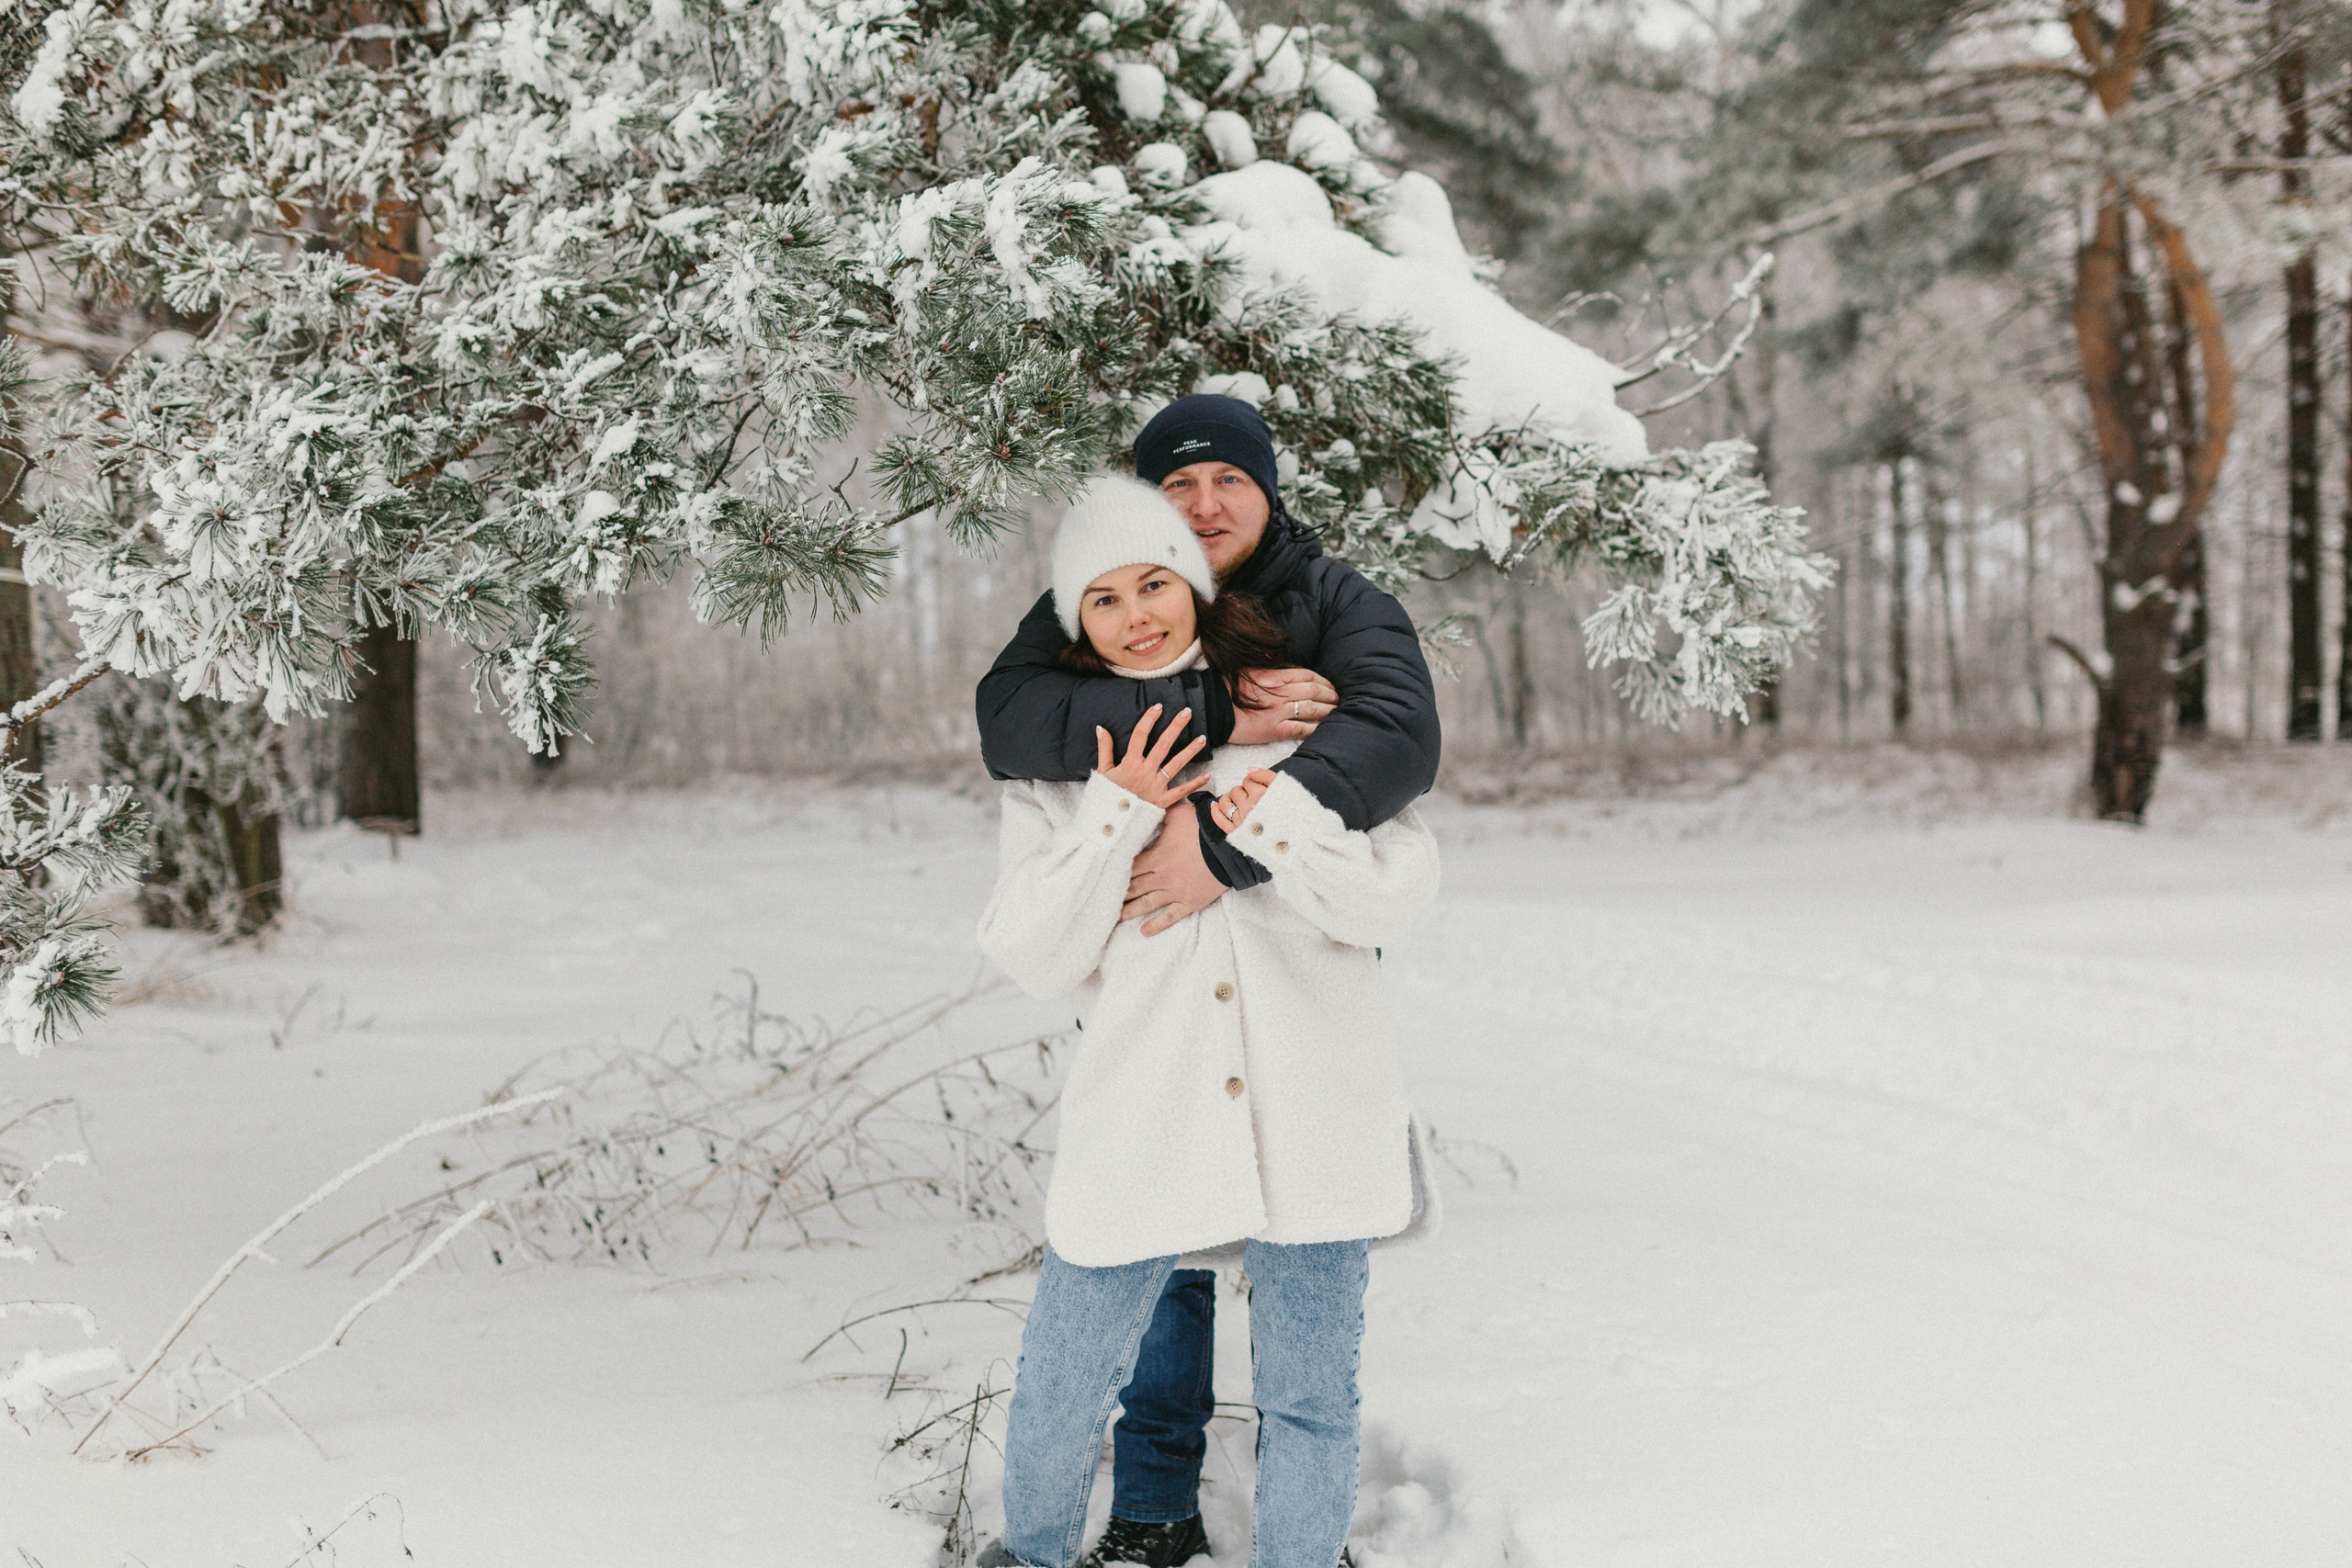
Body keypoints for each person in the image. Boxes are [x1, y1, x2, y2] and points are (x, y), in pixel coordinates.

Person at [974, 396, 1443, 1568]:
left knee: (1309, 1391)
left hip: (1313, 1083)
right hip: (1148, 1091)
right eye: (1106, 593)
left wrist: (1250, 834)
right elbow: (1011, 735)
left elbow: (1399, 778)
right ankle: (1125, 1524)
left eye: (1225, 480)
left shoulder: (1329, 645)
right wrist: (1126, 805)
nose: (1203, 504)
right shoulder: (1077, 745)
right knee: (1080, 1367)